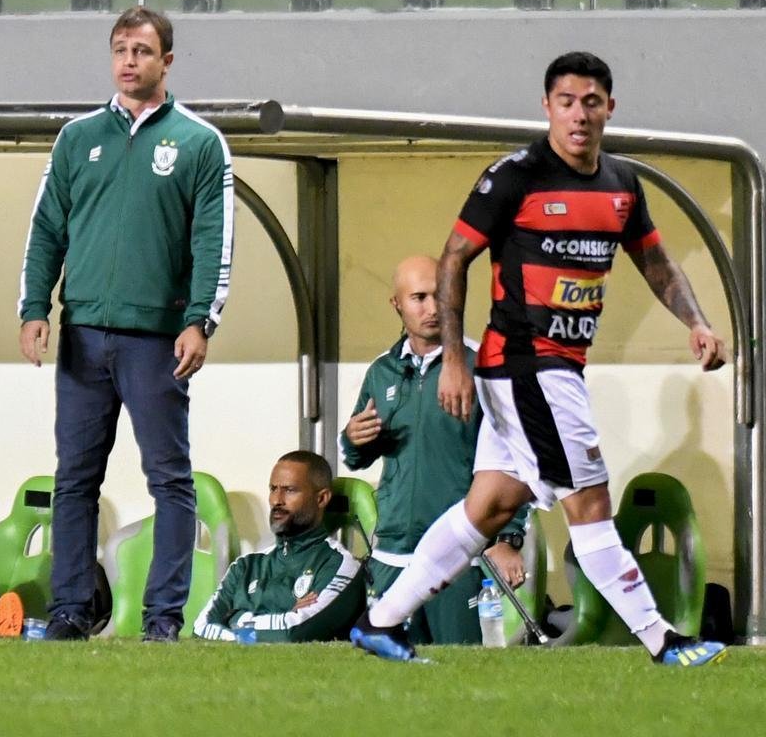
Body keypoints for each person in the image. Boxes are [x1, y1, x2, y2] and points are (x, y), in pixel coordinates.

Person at [350, 51, 728, 667]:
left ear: (610, 107)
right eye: (566, 102)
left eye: (591, 102)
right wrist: (452, 358)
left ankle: (381, 621)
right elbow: (453, 259)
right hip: (530, 367)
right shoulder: (515, 176)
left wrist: (697, 322)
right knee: (592, 505)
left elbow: (655, 261)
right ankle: (664, 640)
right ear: (546, 107)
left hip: (556, 370)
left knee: (489, 506)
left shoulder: (622, 184)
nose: (579, 115)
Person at [17, 6, 234, 642]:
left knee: (170, 480)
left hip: (156, 341)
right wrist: (35, 308)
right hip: (83, 336)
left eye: (142, 50)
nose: (129, 61)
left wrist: (201, 322)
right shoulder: (76, 137)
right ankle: (69, 611)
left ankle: (163, 619)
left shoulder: (198, 142)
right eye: (120, 49)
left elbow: (213, 244)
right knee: (74, 479)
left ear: (167, 60)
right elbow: (45, 232)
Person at [342, 255, 529, 645]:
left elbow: (516, 462)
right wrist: (352, 439)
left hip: (459, 557)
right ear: (396, 304)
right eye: (419, 298)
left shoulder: (484, 368)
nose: (432, 308)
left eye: (441, 296)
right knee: (387, 684)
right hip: (393, 556)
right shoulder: (382, 371)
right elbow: (357, 456)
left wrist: (508, 540)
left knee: (458, 677)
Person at [193, 451, 364, 643]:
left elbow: (294, 633)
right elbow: (201, 628)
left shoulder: (338, 564)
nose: (276, 500)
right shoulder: (245, 566)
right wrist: (284, 615)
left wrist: (234, 618)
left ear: (321, 498)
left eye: (289, 490)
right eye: (273, 488)